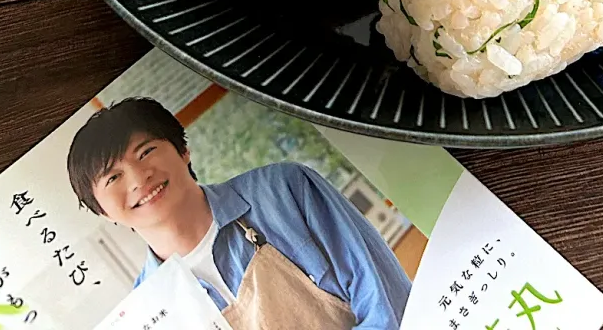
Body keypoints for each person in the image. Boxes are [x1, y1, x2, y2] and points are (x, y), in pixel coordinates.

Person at [67, 97, 410, 328]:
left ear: (183, 150)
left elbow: (384, 297)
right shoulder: (149, 310)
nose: (139, 178)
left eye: (146, 152)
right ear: (102, 211)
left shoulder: (283, 190)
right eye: (113, 177)